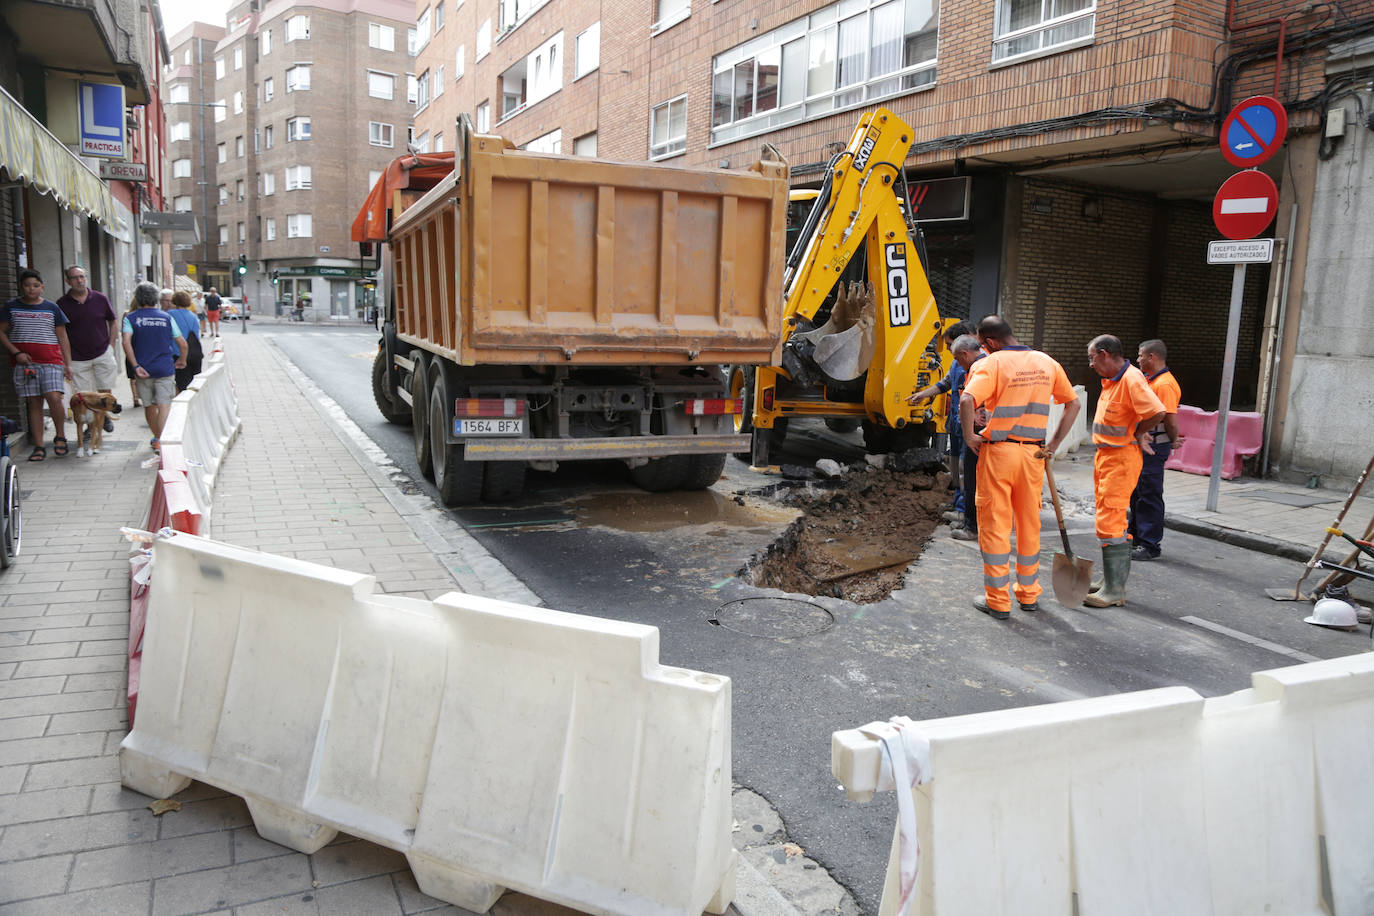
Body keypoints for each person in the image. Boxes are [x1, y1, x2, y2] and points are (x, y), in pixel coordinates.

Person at [961, 316, 1080, 620]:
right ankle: (1028, 595)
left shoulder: (993, 363)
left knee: (996, 526)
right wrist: (1052, 445)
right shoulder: (1046, 362)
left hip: (999, 453)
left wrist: (969, 436)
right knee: (1029, 525)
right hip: (1034, 456)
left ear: (988, 342)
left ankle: (998, 601)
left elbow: (967, 399)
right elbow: (1074, 404)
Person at [1083, 334, 1165, 608]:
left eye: (1092, 357)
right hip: (1107, 456)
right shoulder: (1112, 380)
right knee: (1109, 519)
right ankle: (1110, 580)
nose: (1091, 364)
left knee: (1111, 521)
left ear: (1105, 354)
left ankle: (1115, 589)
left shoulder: (1131, 379)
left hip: (1120, 458)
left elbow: (1157, 412)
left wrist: (1138, 432)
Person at [0, 269, 74, 460]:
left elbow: (62, 336)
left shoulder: (52, 308)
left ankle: (60, 436)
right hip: (25, 362)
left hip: (51, 360)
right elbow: (1, 332)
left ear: (42, 287)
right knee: (34, 402)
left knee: (54, 397)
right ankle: (39, 445)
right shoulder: (11, 307)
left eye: (35, 285)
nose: (31, 289)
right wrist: (16, 353)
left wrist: (68, 363)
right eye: (26, 285)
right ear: (21, 287)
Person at [907, 321, 974, 521]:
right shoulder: (956, 362)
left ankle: (964, 511)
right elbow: (944, 384)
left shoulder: (978, 364)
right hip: (955, 422)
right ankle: (957, 502)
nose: (945, 348)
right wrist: (922, 394)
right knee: (955, 465)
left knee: (965, 468)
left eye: (949, 344)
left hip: (967, 423)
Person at [1128, 339, 1182, 561]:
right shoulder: (1152, 381)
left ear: (1152, 357)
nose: (1138, 359)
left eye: (1141, 355)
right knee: (1138, 493)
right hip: (1144, 445)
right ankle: (1136, 538)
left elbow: (1169, 418)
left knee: (1149, 494)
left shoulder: (1164, 384)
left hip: (1154, 447)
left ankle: (1150, 545)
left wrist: (1174, 438)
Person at [121, 281, 187, 452]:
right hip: (165, 368)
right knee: (164, 404)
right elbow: (182, 343)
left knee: (149, 405)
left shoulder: (130, 318)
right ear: (156, 298)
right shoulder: (166, 317)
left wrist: (135, 365)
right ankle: (163, 441)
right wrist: (182, 360)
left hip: (143, 369)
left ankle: (158, 439)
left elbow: (126, 342)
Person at [56, 264, 120, 432]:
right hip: (77, 357)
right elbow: (60, 333)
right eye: (75, 277)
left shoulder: (100, 298)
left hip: (102, 352)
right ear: (67, 281)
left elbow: (113, 321)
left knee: (104, 388)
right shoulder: (62, 304)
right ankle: (92, 427)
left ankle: (104, 417)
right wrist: (67, 361)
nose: (80, 280)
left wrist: (111, 346)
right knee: (86, 395)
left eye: (82, 276)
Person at [167, 291, 204, 393]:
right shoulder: (193, 316)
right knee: (193, 384)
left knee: (181, 384)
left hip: (178, 354)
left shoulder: (169, 314)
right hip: (195, 354)